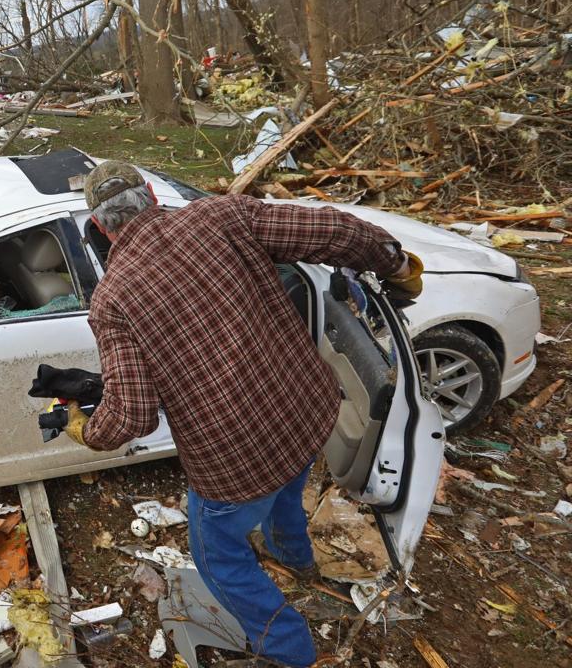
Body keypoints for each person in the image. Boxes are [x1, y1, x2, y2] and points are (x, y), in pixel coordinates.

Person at [61, 161, 423, 668]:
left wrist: (82, 428)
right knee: (286, 493)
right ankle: (296, 559)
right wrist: (396, 264)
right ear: (151, 194)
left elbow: (131, 419)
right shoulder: (223, 217)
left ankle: (288, 653)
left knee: (219, 558)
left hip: (233, 461)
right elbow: (336, 230)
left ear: (99, 227)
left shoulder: (113, 299)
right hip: (303, 413)